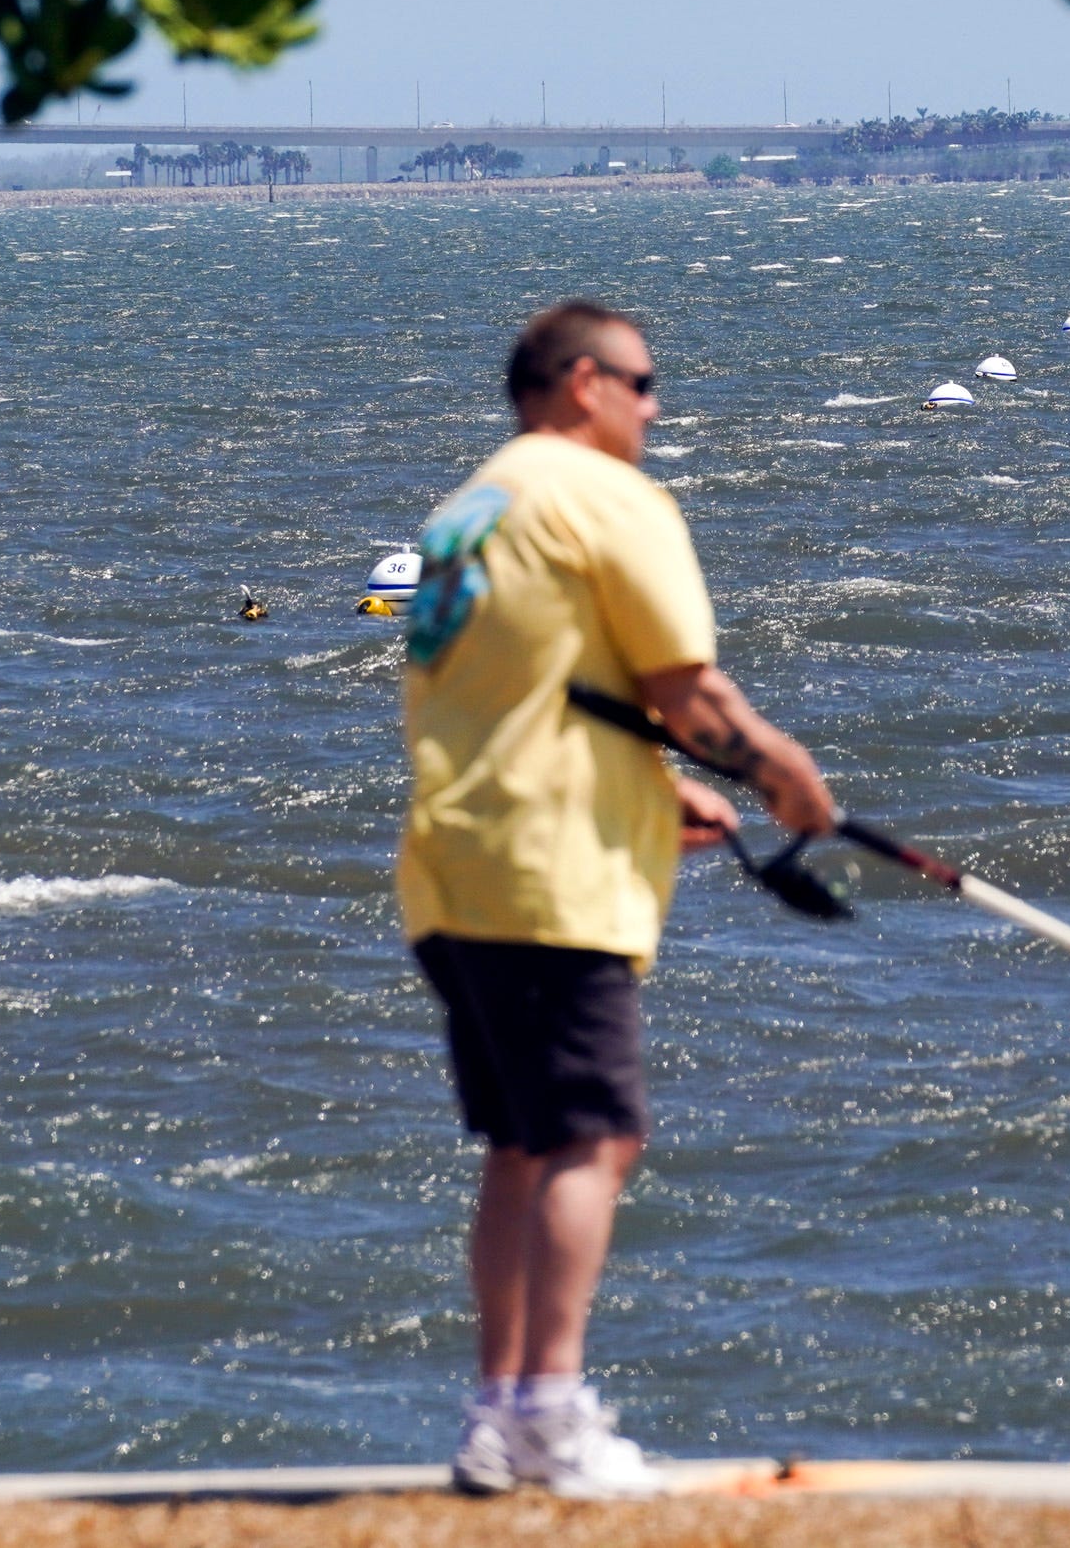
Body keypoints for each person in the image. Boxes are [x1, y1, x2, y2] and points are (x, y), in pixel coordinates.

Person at [397, 299, 837, 1498]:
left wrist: (649, 793)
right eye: (644, 383)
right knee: (593, 1139)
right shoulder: (607, 497)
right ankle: (550, 1413)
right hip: (551, 873)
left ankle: (499, 1419)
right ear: (584, 382)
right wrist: (784, 773)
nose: (655, 405)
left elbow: (519, 694)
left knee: (521, 1144)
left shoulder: (470, 508)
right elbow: (687, 692)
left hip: (453, 865)